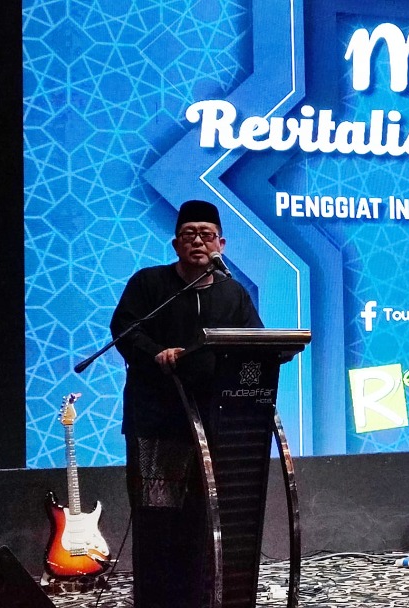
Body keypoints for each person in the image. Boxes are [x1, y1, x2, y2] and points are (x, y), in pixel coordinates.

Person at [110, 200, 262, 607]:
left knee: (206, 520)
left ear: (221, 245)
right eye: (189, 234)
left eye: (206, 235)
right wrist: (155, 353)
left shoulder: (233, 294)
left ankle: (204, 597)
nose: (198, 241)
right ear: (176, 244)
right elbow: (124, 329)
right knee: (159, 521)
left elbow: (257, 340)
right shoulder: (149, 284)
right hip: (159, 425)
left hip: (217, 426)